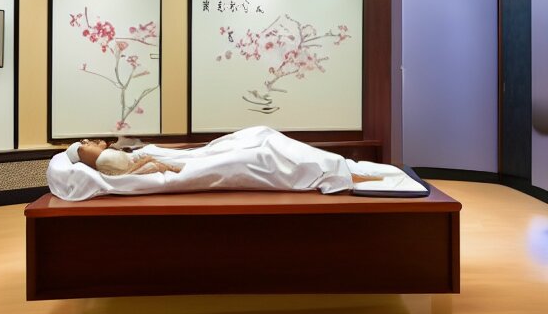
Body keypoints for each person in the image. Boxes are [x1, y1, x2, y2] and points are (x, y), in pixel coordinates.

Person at [47, 126, 407, 201]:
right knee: (264, 154)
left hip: (192, 159)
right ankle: (344, 171)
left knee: (261, 135)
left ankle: (341, 166)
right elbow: (123, 168)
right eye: (91, 142)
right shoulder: (105, 159)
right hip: (188, 169)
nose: (99, 141)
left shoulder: (122, 155)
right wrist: (78, 151)